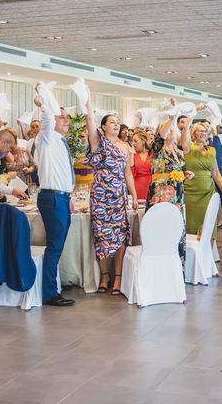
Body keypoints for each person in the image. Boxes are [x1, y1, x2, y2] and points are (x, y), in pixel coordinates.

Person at [85, 98, 138, 296]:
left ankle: (118, 277)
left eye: (118, 122)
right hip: (100, 194)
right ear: (103, 126)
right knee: (101, 236)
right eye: (112, 122)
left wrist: (133, 195)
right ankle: (105, 275)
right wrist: (87, 101)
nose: (116, 124)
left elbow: (128, 174)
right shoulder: (98, 141)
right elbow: (89, 120)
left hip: (118, 195)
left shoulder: (125, 147)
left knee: (119, 235)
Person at [32, 87, 76, 306]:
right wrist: (44, 104)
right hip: (52, 197)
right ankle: (50, 292)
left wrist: (70, 197)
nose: (66, 120)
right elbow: (48, 118)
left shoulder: (59, 141)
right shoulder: (46, 137)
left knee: (58, 244)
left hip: (62, 198)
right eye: (63, 117)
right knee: (55, 245)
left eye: (67, 117)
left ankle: (53, 283)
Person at [147, 115, 193, 270]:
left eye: (173, 128)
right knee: (161, 228)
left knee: (176, 228)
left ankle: (176, 268)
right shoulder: (158, 149)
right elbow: (160, 137)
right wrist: (172, 117)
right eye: (168, 128)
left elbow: (182, 170)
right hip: (161, 195)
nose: (171, 130)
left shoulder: (178, 152)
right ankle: (160, 268)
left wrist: (187, 174)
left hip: (178, 196)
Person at [183, 122, 222, 239]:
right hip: (191, 193)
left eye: (205, 131)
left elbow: (216, 173)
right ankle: (192, 253)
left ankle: (206, 252)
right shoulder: (188, 147)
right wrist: (193, 113)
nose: (203, 133)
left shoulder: (212, 150)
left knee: (207, 224)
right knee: (191, 225)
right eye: (200, 131)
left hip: (208, 192)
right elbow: (184, 132)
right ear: (193, 134)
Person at [130, 129, 152, 201]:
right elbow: (131, 174)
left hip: (151, 186)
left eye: (135, 141)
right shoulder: (133, 155)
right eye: (132, 141)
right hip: (137, 188)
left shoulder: (152, 154)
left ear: (143, 141)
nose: (133, 143)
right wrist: (131, 156)